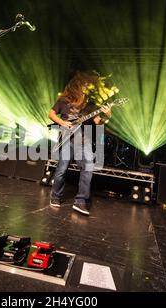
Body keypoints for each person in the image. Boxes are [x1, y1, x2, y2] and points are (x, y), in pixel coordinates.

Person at [48, 71, 113, 216]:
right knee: (61, 170)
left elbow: (97, 122)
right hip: (67, 141)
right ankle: (55, 196)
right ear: (78, 85)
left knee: (88, 169)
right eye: (86, 84)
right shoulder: (65, 100)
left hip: (84, 142)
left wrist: (107, 116)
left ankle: (81, 201)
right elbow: (51, 114)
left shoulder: (91, 104)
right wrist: (63, 123)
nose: (88, 87)